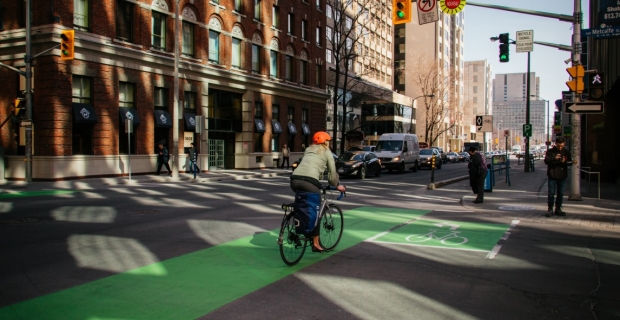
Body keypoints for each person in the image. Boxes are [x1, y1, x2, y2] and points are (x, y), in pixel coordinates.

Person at [290, 131, 346, 252]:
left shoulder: (308, 150)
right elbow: (332, 173)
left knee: (303, 204)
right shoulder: (327, 152)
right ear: (326, 142)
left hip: (294, 180)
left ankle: (299, 227)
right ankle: (316, 243)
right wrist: (337, 186)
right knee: (316, 211)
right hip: (309, 182)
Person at [544, 137, 573, 217]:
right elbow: (546, 161)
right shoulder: (550, 152)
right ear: (556, 144)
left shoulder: (566, 152)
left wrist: (565, 162)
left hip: (562, 175)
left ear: (564, 144)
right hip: (552, 175)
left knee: (560, 193)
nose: (560, 147)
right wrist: (554, 158)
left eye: (562, 146)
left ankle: (558, 208)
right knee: (551, 193)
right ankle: (550, 209)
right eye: (559, 146)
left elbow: (570, 163)